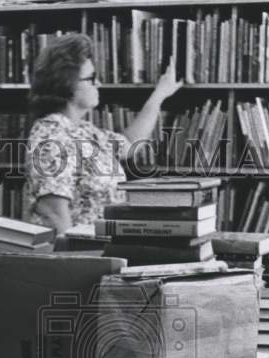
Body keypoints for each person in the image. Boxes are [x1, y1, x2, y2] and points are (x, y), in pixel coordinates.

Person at [23, 32, 183, 234]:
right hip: (81, 258)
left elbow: (129, 144)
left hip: (101, 251)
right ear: (67, 83)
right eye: (91, 78)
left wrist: (159, 95)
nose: (98, 84)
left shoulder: (84, 131)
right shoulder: (51, 135)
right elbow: (52, 212)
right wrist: (80, 260)